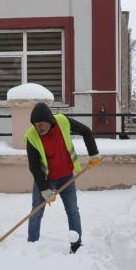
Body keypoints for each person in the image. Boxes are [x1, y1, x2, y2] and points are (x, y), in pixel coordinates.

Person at [25, 102, 101, 253]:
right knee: (36, 212)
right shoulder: (31, 136)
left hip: (67, 177)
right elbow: (34, 166)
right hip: (46, 180)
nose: (39, 128)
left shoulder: (62, 121)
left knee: (72, 211)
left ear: (50, 121)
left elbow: (86, 131)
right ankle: (31, 247)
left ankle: (76, 245)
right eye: (36, 125)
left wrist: (93, 154)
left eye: (42, 124)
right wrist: (45, 189)